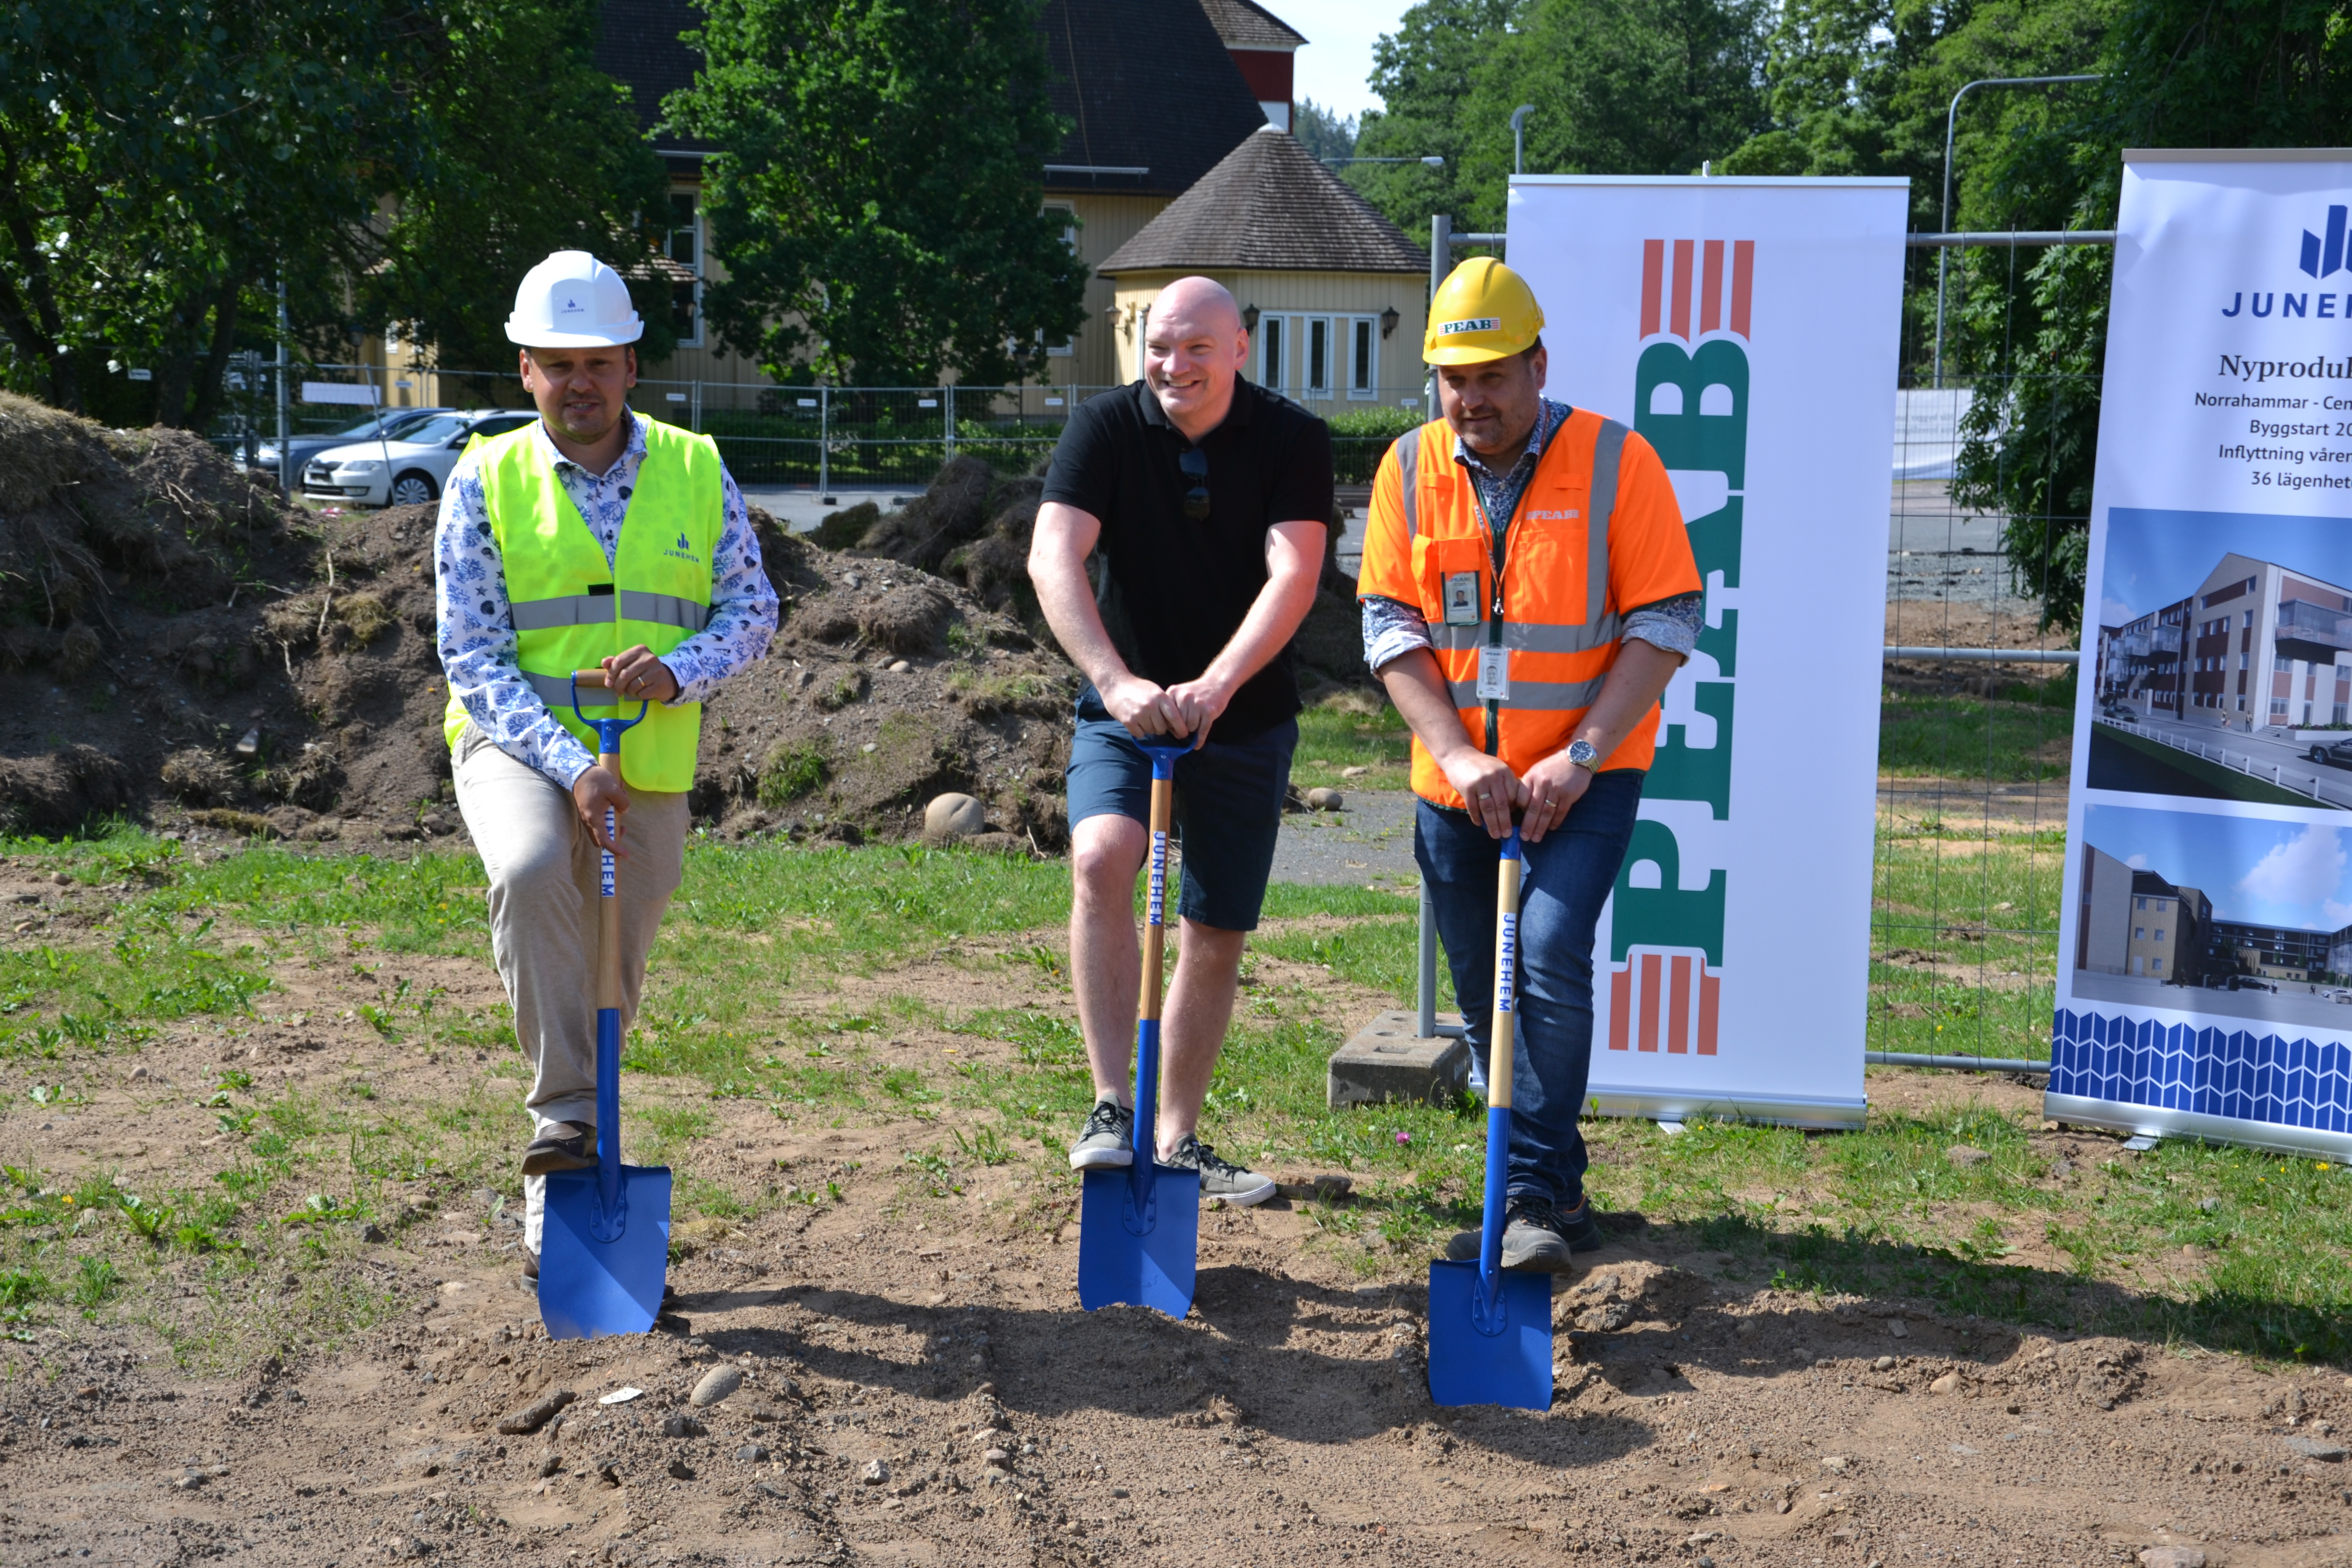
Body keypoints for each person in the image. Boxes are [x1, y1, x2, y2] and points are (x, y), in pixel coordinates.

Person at [434, 250, 778, 1279]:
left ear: (631, 365)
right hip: (516, 741)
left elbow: (754, 610)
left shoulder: (694, 466)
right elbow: (472, 652)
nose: (577, 381)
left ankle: (582, 1119)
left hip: (651, 755)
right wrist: (568, 760)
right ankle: (564, 1142)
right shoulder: (482, 479)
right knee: (534, 870)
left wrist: (675, 674)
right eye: (555, 362)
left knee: (612, 957)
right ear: (525, 372)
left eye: (598, 360)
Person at [1356, 257, 1701, 1271]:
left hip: (1581, 786)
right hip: (1458, 792)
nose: (1473, 400)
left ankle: (1529, 1192)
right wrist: (1459, 755)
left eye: (1493, 376)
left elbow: (1665, 619)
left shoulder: (1615, 462)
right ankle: (1548, 1190)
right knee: (1484, 985)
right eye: (1454, 380)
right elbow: (1388, 626)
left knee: (1545, 955)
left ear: (1537, 365)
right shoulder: (1407, 470)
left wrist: (1582, 755)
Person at [1028, 276, 1332, 1206]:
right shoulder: (1106, 428)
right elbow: (1053, 554)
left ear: (1241, 347)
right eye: (1159, 345)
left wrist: (1219, 684)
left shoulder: (1292, 439)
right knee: (1102, 857)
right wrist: (1117, 683)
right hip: (1128, 709)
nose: (1174, 365)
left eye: (1197, 347)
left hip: (1242, 718)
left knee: (1213, 923)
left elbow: (1295, 572)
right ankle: (1111, 1108)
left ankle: (1179, 1134)